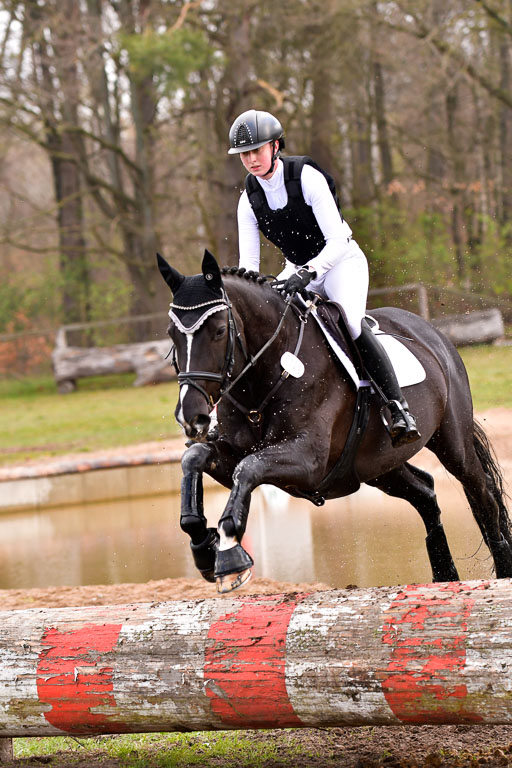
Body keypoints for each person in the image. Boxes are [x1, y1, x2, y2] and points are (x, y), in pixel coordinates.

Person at [228, 108, 420, 447]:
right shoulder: (249, 199)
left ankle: (398, 408)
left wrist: (308, 273)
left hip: (340, 263)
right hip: (297, 269)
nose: (251, 160)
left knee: (352, 324)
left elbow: (337, 241)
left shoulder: (306, 178)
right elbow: (249, 265)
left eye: (257, 150)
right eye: (245, 154)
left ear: (275, 146)